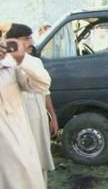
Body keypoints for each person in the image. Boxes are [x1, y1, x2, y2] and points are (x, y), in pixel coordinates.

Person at [5, 23, 57, 188]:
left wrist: (52, 116)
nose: (32, 42)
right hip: (13, 133)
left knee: (37, 163)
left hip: (34, 122)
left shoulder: (27, 64)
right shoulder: (8, 65)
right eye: (26, 38)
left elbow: (44, 88)